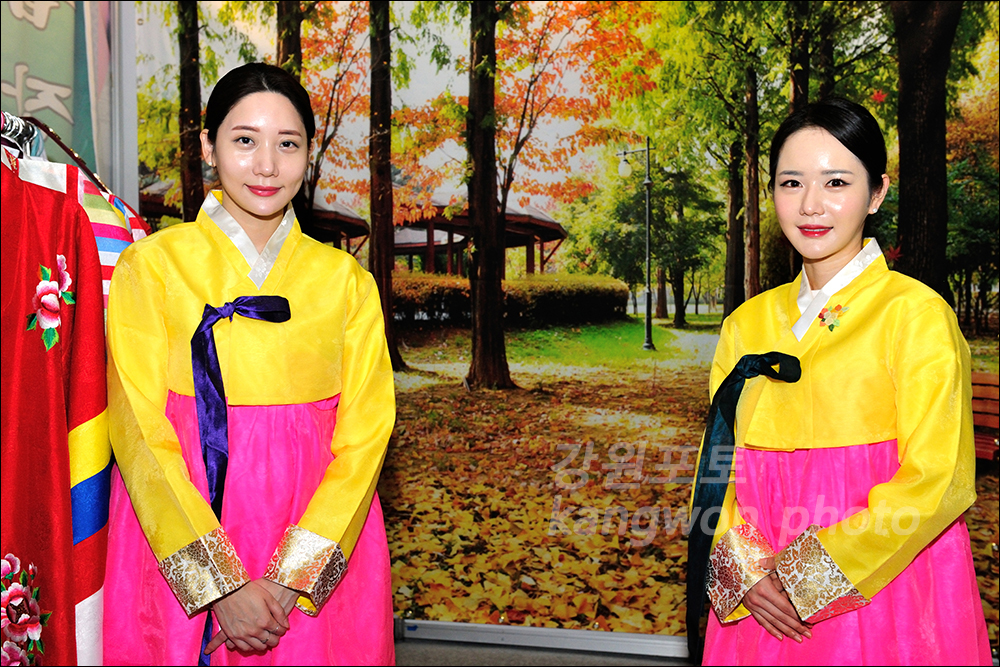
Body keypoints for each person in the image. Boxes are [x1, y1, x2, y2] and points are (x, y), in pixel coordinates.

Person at [103, 62, 395, 665]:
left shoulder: (345, 281)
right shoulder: (151, 267)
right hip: (185, 530)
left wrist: (293, 576)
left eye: (288, 144)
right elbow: (138, 430)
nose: (267, 165)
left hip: (314, 531)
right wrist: (218, 582)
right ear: (208, 146)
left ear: (309, 153)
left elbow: (367, 435)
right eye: (244, 140)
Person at [694, 97, 991, 665]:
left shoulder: (915, 315)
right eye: (791, 183)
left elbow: (939, 480)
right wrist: (746, 571)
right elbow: (717, 465)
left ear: (877, 193)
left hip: (879, 586)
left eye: (836, 182)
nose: (811, 204)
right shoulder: (745, 325)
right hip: (762, 599)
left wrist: (809, 576)